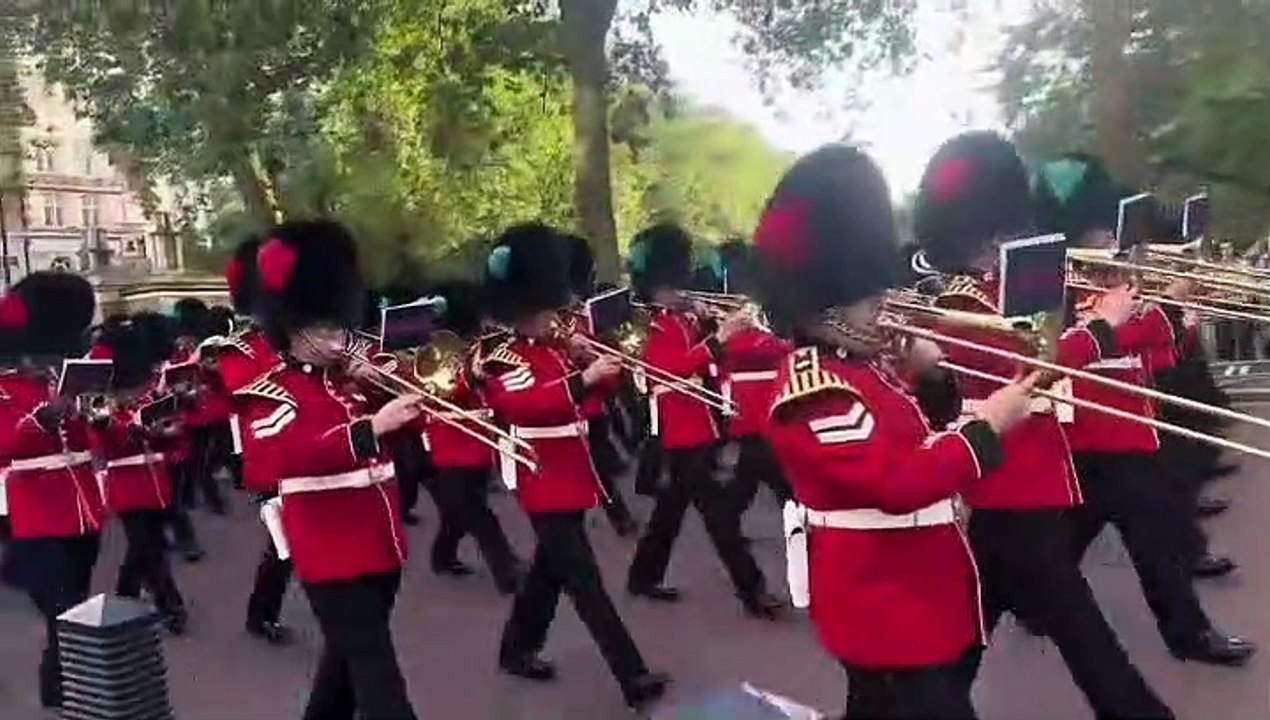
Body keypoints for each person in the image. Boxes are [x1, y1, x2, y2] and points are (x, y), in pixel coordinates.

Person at [755, 143, 1031, 719]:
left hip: (908, 592)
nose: (883, 309)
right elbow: (896, 482)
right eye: (870, 297)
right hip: (883, 603)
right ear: (824, 306)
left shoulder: (863, 371)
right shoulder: (816, 389)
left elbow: (917, 432)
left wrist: (931, 378)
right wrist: (989, 429)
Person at [913, 132, 1174, 717]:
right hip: (1009, 487)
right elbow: (1032, 364)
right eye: (1003, 231)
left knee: (968, 633)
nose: (1014, 237)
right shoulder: (965, 302)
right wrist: (1103, 326)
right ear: (980, 236)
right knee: (1084, 637)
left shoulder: (1005, 290)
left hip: (1023, 488)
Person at [1035, 154, 1254, 666]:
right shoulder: (1060, 290)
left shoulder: (1115, 279)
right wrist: (1157, 311)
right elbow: (1076, 349)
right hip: (1093, 436)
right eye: (1099, 232)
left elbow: (1152, 354)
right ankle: (1186, 634)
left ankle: (1186, 633)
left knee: (1123, 540)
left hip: (1130, 434)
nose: (1110, 240)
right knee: (1107, 542)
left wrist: (1176, 313)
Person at [236, 219, 422, 720]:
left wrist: (383, 391)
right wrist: (368, 429)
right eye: (326, 329)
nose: (338, 338)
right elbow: (277, 460)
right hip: (329, 551)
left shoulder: (348, 386)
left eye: (339, 325)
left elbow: (414, 423)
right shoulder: (270, 391)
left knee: (345, 665)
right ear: (294, 329)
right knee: (379, 679)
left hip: (379, 543)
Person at [481, 222, 668, 713]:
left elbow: (593, 397)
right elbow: (527, 406)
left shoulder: (558, 347)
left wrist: (601, 369)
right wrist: (582, 379)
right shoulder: (504, 357)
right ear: (522, 311)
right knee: (584, 580)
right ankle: (633, 676)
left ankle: (517, 648)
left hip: (572, 470)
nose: (555, 318)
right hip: (540, 473)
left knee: (549, 570)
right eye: (546, 311)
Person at [623, 223, 784, 619]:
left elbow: (703, 359)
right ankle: (753, 591)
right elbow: (669, 372)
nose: (685, 288)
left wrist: (711, 325)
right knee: (719, 519)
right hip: (681, 430)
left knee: (670, 511)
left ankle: (642, 576)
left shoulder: (681, 318)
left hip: (698, 426)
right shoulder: (654, 324)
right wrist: (720, 335)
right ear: (661, 285)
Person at [0, 272, 104, 710]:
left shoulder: (57, 382)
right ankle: (73, 696)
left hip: (83, 508)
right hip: (37, 509)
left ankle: (58, 688)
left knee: (74, 606)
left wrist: (92, 418)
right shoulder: (6, 391)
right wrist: (43, 418)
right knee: (64, 609)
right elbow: (6, 445)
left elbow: (86, 445)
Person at [214, 236, 295, 646]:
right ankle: (260, 614)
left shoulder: (299, 338)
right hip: (270, 455)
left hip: (311, 450)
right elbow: (246, 391)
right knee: (283, 546)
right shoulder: (238, 348)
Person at [419, 279, 523, 593]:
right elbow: (444, 388)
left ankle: (442, 555)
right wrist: (472, 376)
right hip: (450, 435)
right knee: (476, 510)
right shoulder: (434, 348)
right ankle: (506, 570)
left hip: (477, 435)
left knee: (460, 507)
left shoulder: (479, 343)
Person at [89, 317, 189, 634]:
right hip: (127, 484)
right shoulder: (101, 406)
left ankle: (124, 595)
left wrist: (169, 432)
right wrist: (136, 429)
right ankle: (171, 605)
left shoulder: (149, 397)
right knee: (149, 548)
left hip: (156, 480)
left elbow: (174, 436)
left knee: (143, 547)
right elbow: (103, 445)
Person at [559, 232, 640, 536]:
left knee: (597, 463)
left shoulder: (583, 313)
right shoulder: (557, 321)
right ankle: (619, 518)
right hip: (572, 406)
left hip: (592, 405)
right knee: (595, 467)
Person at [711, 239, 794, 531]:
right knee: (770, 472)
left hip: (767, 396)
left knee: (750, 474)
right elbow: (744, 349)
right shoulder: (736, 316)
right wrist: (784, 344)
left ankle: (724, 520)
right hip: (748, 400)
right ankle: (800, 521)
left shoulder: (762, 307)